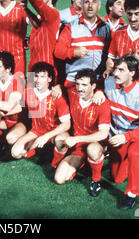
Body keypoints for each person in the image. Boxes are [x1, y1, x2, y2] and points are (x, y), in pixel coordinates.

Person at [104, 55, 139, 210]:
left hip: (135, 136)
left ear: (132, 73)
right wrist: (98, 92)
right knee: (117, 178)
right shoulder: (108, 83)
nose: (116, 73)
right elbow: (96, 88)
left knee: (135, 154)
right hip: (115, 136)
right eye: (115, 69)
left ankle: (132, 194)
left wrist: (126, 137)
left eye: (121, 70)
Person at [53, 69, 111, 197]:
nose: (80, 88)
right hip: (78, 147)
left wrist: (76, 139)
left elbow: (103, 134)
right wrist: (57, 86)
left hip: (94, 143)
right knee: (59, 179)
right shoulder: (73, 92)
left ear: (93, 86)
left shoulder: (102, 103)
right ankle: (74, 164)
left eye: (84, 85)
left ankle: (96, 180)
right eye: (78, 84)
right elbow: (63, 87)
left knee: (93, 150)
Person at [53, 0, 111, 102]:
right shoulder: (71, 26)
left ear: (99, 6)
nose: (90, 6)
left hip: (97, 84)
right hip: (74, 83)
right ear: (82, 5)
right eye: (87, 2)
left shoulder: (106, 28)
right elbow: (58, 51)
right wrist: (73, 52)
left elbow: (110, 55)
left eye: (94, 2)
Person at [11, 62, 71, 160]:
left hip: (54, 132)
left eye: (42, 77)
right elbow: (18, 107)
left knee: (60, 140)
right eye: (36, 76)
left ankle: (50, 151)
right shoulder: (28, 92)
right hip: (36, 131)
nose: (38, 80)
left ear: (50, 79)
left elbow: (67, 124)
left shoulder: (56, 96)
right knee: (15, 153)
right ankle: (40, 149)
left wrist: (47, 136)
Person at [6, 0, 60, 76]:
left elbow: (38, 3)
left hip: (45, 69)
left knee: (42, 93)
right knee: (30, 92)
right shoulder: (40, 17)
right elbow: (38, 26)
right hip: (32, 68)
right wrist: (25, 8)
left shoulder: (54, 14)